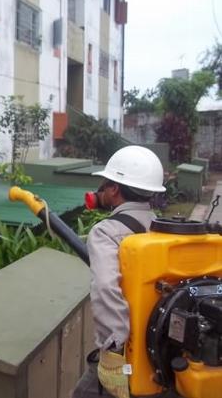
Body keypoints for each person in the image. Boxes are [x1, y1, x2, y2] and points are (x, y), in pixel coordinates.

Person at [72, 145, 166, 398]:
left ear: (114, 189)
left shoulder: (105, 232)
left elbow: (105, 288)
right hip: (161, 345)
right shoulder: (160, 226)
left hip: (130, 349)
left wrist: (114, 350)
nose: (100, 190)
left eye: (105, 183)